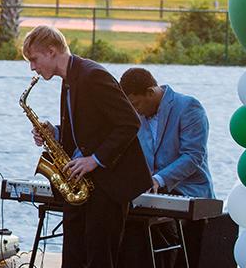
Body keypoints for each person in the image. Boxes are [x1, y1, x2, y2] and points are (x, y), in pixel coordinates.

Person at [23, 25, 151, 268]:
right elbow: (86, 131)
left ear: (51, 52)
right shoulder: (69, 79)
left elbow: (129, 122)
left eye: (34, 59)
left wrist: (95, 159)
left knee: (99, 259)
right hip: (84, 185)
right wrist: (55, 132)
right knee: (73, 257)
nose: (32, 67)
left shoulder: (92, 75)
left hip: (108, 184)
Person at [117, 67, 214, 268]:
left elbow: (193, 156)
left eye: (136, 104)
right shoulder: (138, 115)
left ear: (151, 92)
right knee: (116, 216)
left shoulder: (188, 107)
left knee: (150, 227)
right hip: (151, 191)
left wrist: (158, 179)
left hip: (188, 191)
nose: (135, 111)